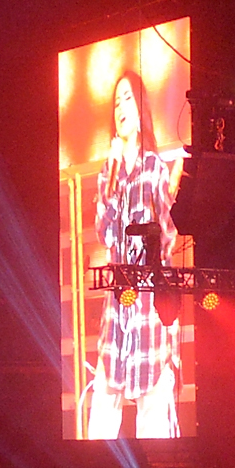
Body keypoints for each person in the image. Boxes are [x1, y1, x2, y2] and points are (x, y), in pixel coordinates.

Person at [80, 67, 184, 441]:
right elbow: (105, 234)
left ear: (140, 109)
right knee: (100, 422)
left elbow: (168, 236)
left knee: (154, 425)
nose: (121, 107)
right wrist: (112, 172)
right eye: (116, 102)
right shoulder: (107, 172)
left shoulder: (154, 168)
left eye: (128, 98)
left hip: (149, 312)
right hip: (117, 312)